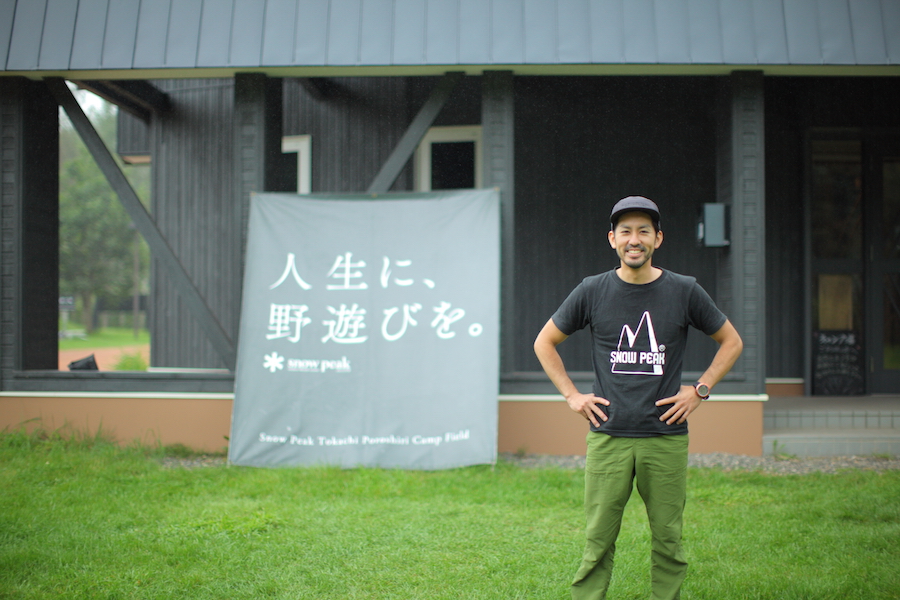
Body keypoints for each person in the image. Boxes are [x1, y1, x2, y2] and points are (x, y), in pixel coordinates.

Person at [533, 196, 743, 600]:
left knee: (668, 539)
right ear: (612, 239)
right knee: (597, 539)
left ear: (657, 239)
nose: (634, 239)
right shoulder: (592, 290)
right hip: (608, 437)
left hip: (664, 438)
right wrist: (572, 396)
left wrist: (700, 390)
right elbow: (544, 342)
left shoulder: (684, 290)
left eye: (643, 231)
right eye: (625, 231)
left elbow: (731, 341)